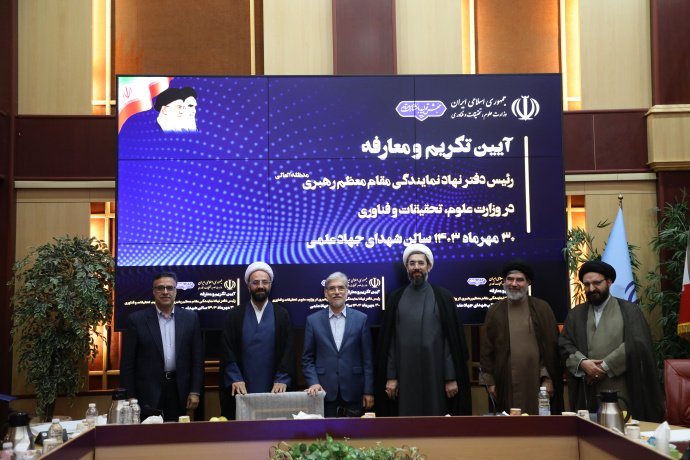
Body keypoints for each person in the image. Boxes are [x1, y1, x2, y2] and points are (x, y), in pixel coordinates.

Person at [558, 260, 665, 422]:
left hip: (620, 386)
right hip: (587, 388)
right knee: (589, 431)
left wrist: (603, 367)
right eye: (587, 284)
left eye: (597, 283)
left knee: (619, 429)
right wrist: (582, 363)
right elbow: (564, 343)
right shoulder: (576, 314)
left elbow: (637, 343)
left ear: (609, 282)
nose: (591, 289)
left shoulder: (629, 310)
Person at [375, 244, 472, 416]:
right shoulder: (396, 298)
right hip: (404, 375)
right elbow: (390, 342)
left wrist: (450, 377)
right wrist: (391, 376)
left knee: (436, 418)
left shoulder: (443, 297)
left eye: (421, 263)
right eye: (412, 263)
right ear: (406, 267)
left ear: (429, 266)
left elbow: (451, 342)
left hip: (436, 374)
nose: (416, 267)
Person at [479, 259, 564, 415]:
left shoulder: (542, 308)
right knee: (508, 425)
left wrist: (548, 379)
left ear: (528, 282)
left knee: (538, 423)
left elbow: (552, 349)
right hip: (505, 383)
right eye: (510, 279)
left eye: (519, 280)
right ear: (504, 281)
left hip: (537, 382)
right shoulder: (495, 311)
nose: (514, 284)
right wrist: (489, 383)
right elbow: (486, 350)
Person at [120, 272, 203, 421]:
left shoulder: (191, 318)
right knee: (149, 434)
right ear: (154, 291)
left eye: (169, 288)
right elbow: (127, 363)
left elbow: (197, 359)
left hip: (179, 391)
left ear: (175, 291)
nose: (165, 292)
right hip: (147, 393)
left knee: (176, 432)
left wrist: (195, 391)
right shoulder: (137, 320)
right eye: (160, 288)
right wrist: (130, 396)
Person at [219, 262, 296, 419]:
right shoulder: (235, 315)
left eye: (264, 282)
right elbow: (227, 350)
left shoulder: (281, 315)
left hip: (274, 388)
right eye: (255, 283)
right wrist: (235, 379)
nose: (260, 286)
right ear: (248, 286)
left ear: (270, 285)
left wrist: (282, 379)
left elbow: (288, 350)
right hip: (242, 389)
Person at [302, 272, 375, 417]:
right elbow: (307, 359)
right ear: (326, 293)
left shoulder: (361, 319)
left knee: (356, 432)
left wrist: (369, 391)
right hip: (323, 392)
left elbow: (368, 359)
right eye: (332, 288)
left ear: (347, 291)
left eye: (341, 288)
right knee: (326, 431)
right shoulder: (313, 320)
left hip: (354, 392)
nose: (336, 292)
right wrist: (313, 382)